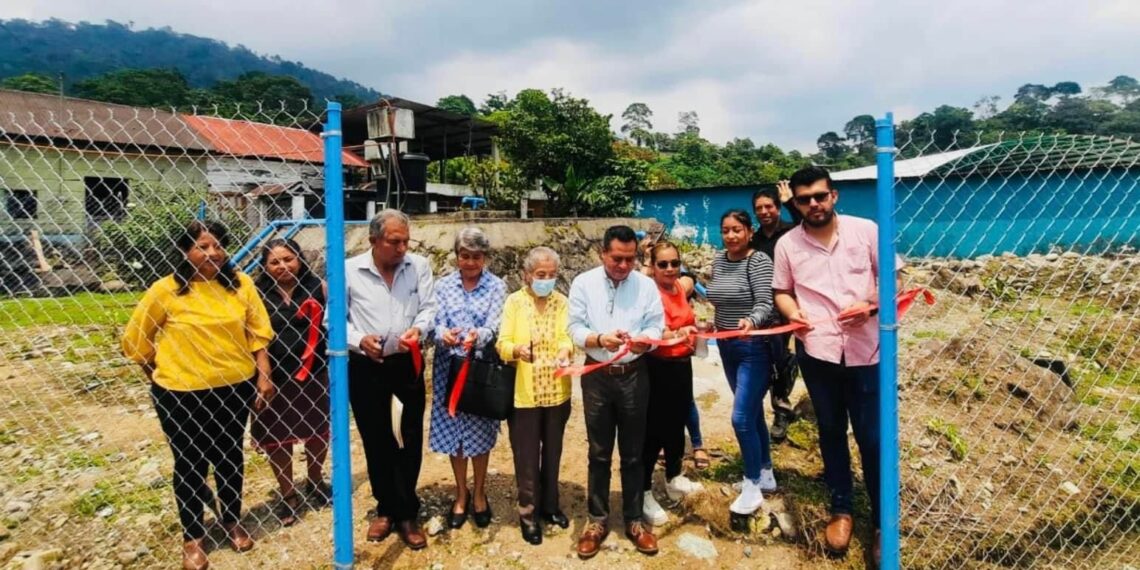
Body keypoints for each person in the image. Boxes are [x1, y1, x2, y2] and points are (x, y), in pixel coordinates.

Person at [121, 220, 274, 570]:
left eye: (217, 246)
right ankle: (193, 537)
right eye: (202, 247)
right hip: (181, 394)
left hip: (235, 388)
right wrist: (161, 372)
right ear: (184, 252)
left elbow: (258, 333)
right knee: (189, 463)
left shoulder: (240, 285)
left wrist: (264, 376)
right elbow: (136, 339)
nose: (212, 253)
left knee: (229, 456)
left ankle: (232, 518)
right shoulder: (167, 290)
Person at [772, 166, 902, 564]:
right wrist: (794, 313)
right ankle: (841, 508)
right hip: (818, 351)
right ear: (794, 203)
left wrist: (870, 306)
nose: (813, 204)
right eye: (804, 199)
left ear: (834, 196)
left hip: (867, 352)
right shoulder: (787, 245)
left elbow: (893, 281)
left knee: (872, 437)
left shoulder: (867, 231)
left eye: (819, 196)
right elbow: (782, 290)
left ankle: (882, 523)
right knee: (830, 430)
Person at [568, 225, 665, 559]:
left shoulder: (646, 285)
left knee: (634, 452)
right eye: (617, 259)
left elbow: (656, 324)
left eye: (630, 259)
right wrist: (598, 339)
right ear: (602, 253)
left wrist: (645, 340)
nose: (624, 265)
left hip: (634, 375)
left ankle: (635, 521)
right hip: (596, 376)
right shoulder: (583, 283)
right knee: (598, 451)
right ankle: (596, 520)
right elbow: (575, 327)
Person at [346, 209, 437, 550]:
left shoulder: (419, 266)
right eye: (394, 241)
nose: (402, 248)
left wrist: (420, 327)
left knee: (407, 436)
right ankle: (384, 507)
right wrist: (358, 340)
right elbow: (334, 320)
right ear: (373, 241)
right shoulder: (349, 270)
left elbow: (429, 307)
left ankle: (407, 512)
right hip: (366, 367)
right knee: (376, 437)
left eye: (405, 241)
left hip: (405, 364)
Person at [428, 227, 507, 531]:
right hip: (449, 368)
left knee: (480, 432)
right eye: (465, 256)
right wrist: (442, 334)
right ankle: (461, 493)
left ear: (484, 257)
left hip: (479, 370)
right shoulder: (442, 286)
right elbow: (434, 323)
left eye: (476, 257)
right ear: (457, 257)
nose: (470, 262)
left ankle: (481, 493)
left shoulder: (497, 286)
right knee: (454, 434)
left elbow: (496, 325)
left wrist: (479, 335)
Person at [250, 238, 330, 528]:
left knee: (317, 430)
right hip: (271, 377)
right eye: (275, 262)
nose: (283, 266)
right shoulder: (256, 293)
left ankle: (315, 480)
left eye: (289, 259)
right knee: (277, 436)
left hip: (314, 373)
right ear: (265, 266)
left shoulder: (318, 287)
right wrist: (264, 374)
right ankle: (287, 493)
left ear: (299, 259)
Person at [497, 246, 574, 545]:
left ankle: (550, 507)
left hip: (557, 391)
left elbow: (567, 335)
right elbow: (502, 343)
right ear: (527, 275)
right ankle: (528, 515)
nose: (547, 280)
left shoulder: (562, 302)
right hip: (524, 395)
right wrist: (516, 350)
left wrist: (566, 349)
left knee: (553, 453)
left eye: (552, 275)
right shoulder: (514, 303)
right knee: (526, 457)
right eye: (541, 275)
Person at [706, 209, 776, 518]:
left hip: (753, 346)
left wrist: (751, 320)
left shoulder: (758, 260)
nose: (731, 236)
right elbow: (716, 296)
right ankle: (765, 472)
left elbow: (766, 302)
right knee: (752, 411)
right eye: (725, 230)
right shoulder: (720, 260)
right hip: (725, 344)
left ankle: (752, 486)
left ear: (749, 232)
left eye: (737, 230)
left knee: (741, 418)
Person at [640, 241, 704, 526]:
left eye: (674, 263)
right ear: (652, 267)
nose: (669, 269)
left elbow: (691, 288)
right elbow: (653, 333)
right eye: (662, 264)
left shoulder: (680, 287)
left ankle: (673, 476)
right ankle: (642, 491)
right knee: (653, 430)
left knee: (677, 423)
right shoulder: (649, 293)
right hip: (658, 367)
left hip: (682, 364)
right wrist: (680, 331)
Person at [749, 182, 801, 442]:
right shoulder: (754, 239)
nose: (764, 211)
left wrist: (792, 201)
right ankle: (756, 410)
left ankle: (781, 409)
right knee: (762, 358)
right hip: (759, 307)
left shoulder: (792, 232)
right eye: (759, 208)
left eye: (769, 206)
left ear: (778, 208)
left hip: (787, 304)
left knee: (781, 358)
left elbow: (808, 223)